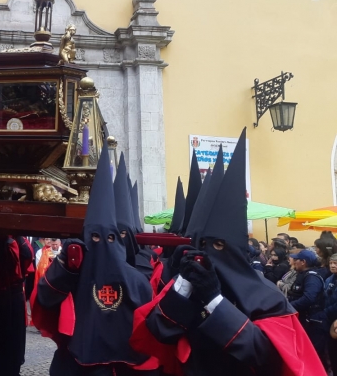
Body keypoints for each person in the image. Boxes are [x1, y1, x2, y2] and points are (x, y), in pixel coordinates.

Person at [131, 129, 325, 376]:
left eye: (217, 246)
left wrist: (215, 299)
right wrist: (181, 286)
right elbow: (158, 332)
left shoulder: (265, 295)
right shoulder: (190, 282)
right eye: (200, 246)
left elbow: (264, 354)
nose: (208, 254)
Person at [34, 144, 157, 375]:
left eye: (111, 237)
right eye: (94, 237)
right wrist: (64, 267)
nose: (103, 243)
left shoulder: (138, 281)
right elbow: (45, 301)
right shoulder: (73, 276)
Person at [287, 249, 328, 368]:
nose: (294, 262)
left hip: (313, 321)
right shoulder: (303, 275)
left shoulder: (312, 277)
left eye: (296, 260)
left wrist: (289, 306)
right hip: (304, 319)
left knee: (313, 357)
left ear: (303, 262)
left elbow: (309, 298)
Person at [323, 254, 337, 370]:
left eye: (336, 263)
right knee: (331, 351)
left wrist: (324, 312)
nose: (332, 266)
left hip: (334, 318)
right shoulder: (329, 279)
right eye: (331, 263)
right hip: (328, 319)